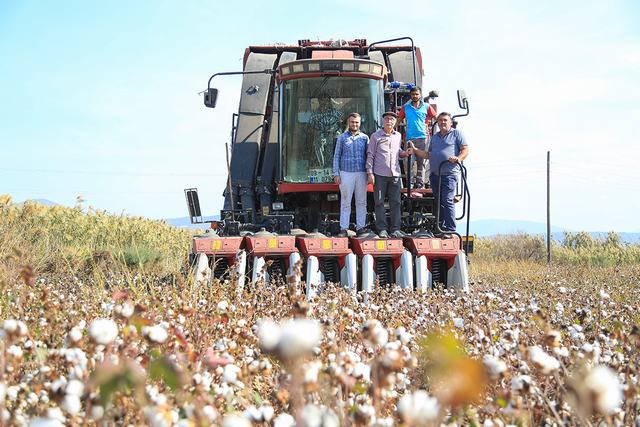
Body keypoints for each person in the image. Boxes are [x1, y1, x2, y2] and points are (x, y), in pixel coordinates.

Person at [408, 112, 469, 235]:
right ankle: (440, 228)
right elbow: (428, 154)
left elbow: (465, 150)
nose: (442, 122)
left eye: (445, 120)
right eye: (440, 120)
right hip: (435, 175)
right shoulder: (435, 137)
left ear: (450, 122)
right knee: (439, 201)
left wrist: (458, 159)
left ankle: (450, 229)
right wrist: (415, 151)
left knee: (447, 200)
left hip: (449, 174)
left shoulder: (457, 134)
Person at [366, 111, 411, 238]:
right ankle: (382, 229)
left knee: (396, 202)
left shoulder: (398, 136)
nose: (389, 121)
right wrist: (370, 172)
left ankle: (395, 229)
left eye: (391, 119)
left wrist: (405, 153)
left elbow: (398, 152)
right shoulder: (375, 136)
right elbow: (370, 155)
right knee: (379, 202)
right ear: (383, 121)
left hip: (395, 174)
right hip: (379, 174)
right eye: (387, 119)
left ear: (395, 122)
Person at [332, 113, 369, 237]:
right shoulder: (342, 138)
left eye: (357, 122)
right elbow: (336, 156)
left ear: (360, 123)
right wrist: (336, 173)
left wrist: (369, 172)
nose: (354, 124)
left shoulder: (365, 138)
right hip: (346, 173)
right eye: (352, 122)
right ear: (349, 122)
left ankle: (361, 227)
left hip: (361, 172)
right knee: (346, 201)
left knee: (361, 201)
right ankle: (343, 228)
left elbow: (369, 156)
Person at [397, 86, 437, 188]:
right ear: (410, 95)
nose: (415, 96)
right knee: (408, 161)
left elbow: (436, 117)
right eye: (413, 94)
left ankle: (420, 183)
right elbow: (398, 120)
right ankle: (409, 182)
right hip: (409, 138)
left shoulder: (427, 107)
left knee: (422, 161)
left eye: (417, 94)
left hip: (424, 137)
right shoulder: (405, 107)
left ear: (420, 95)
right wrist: (391, 130)